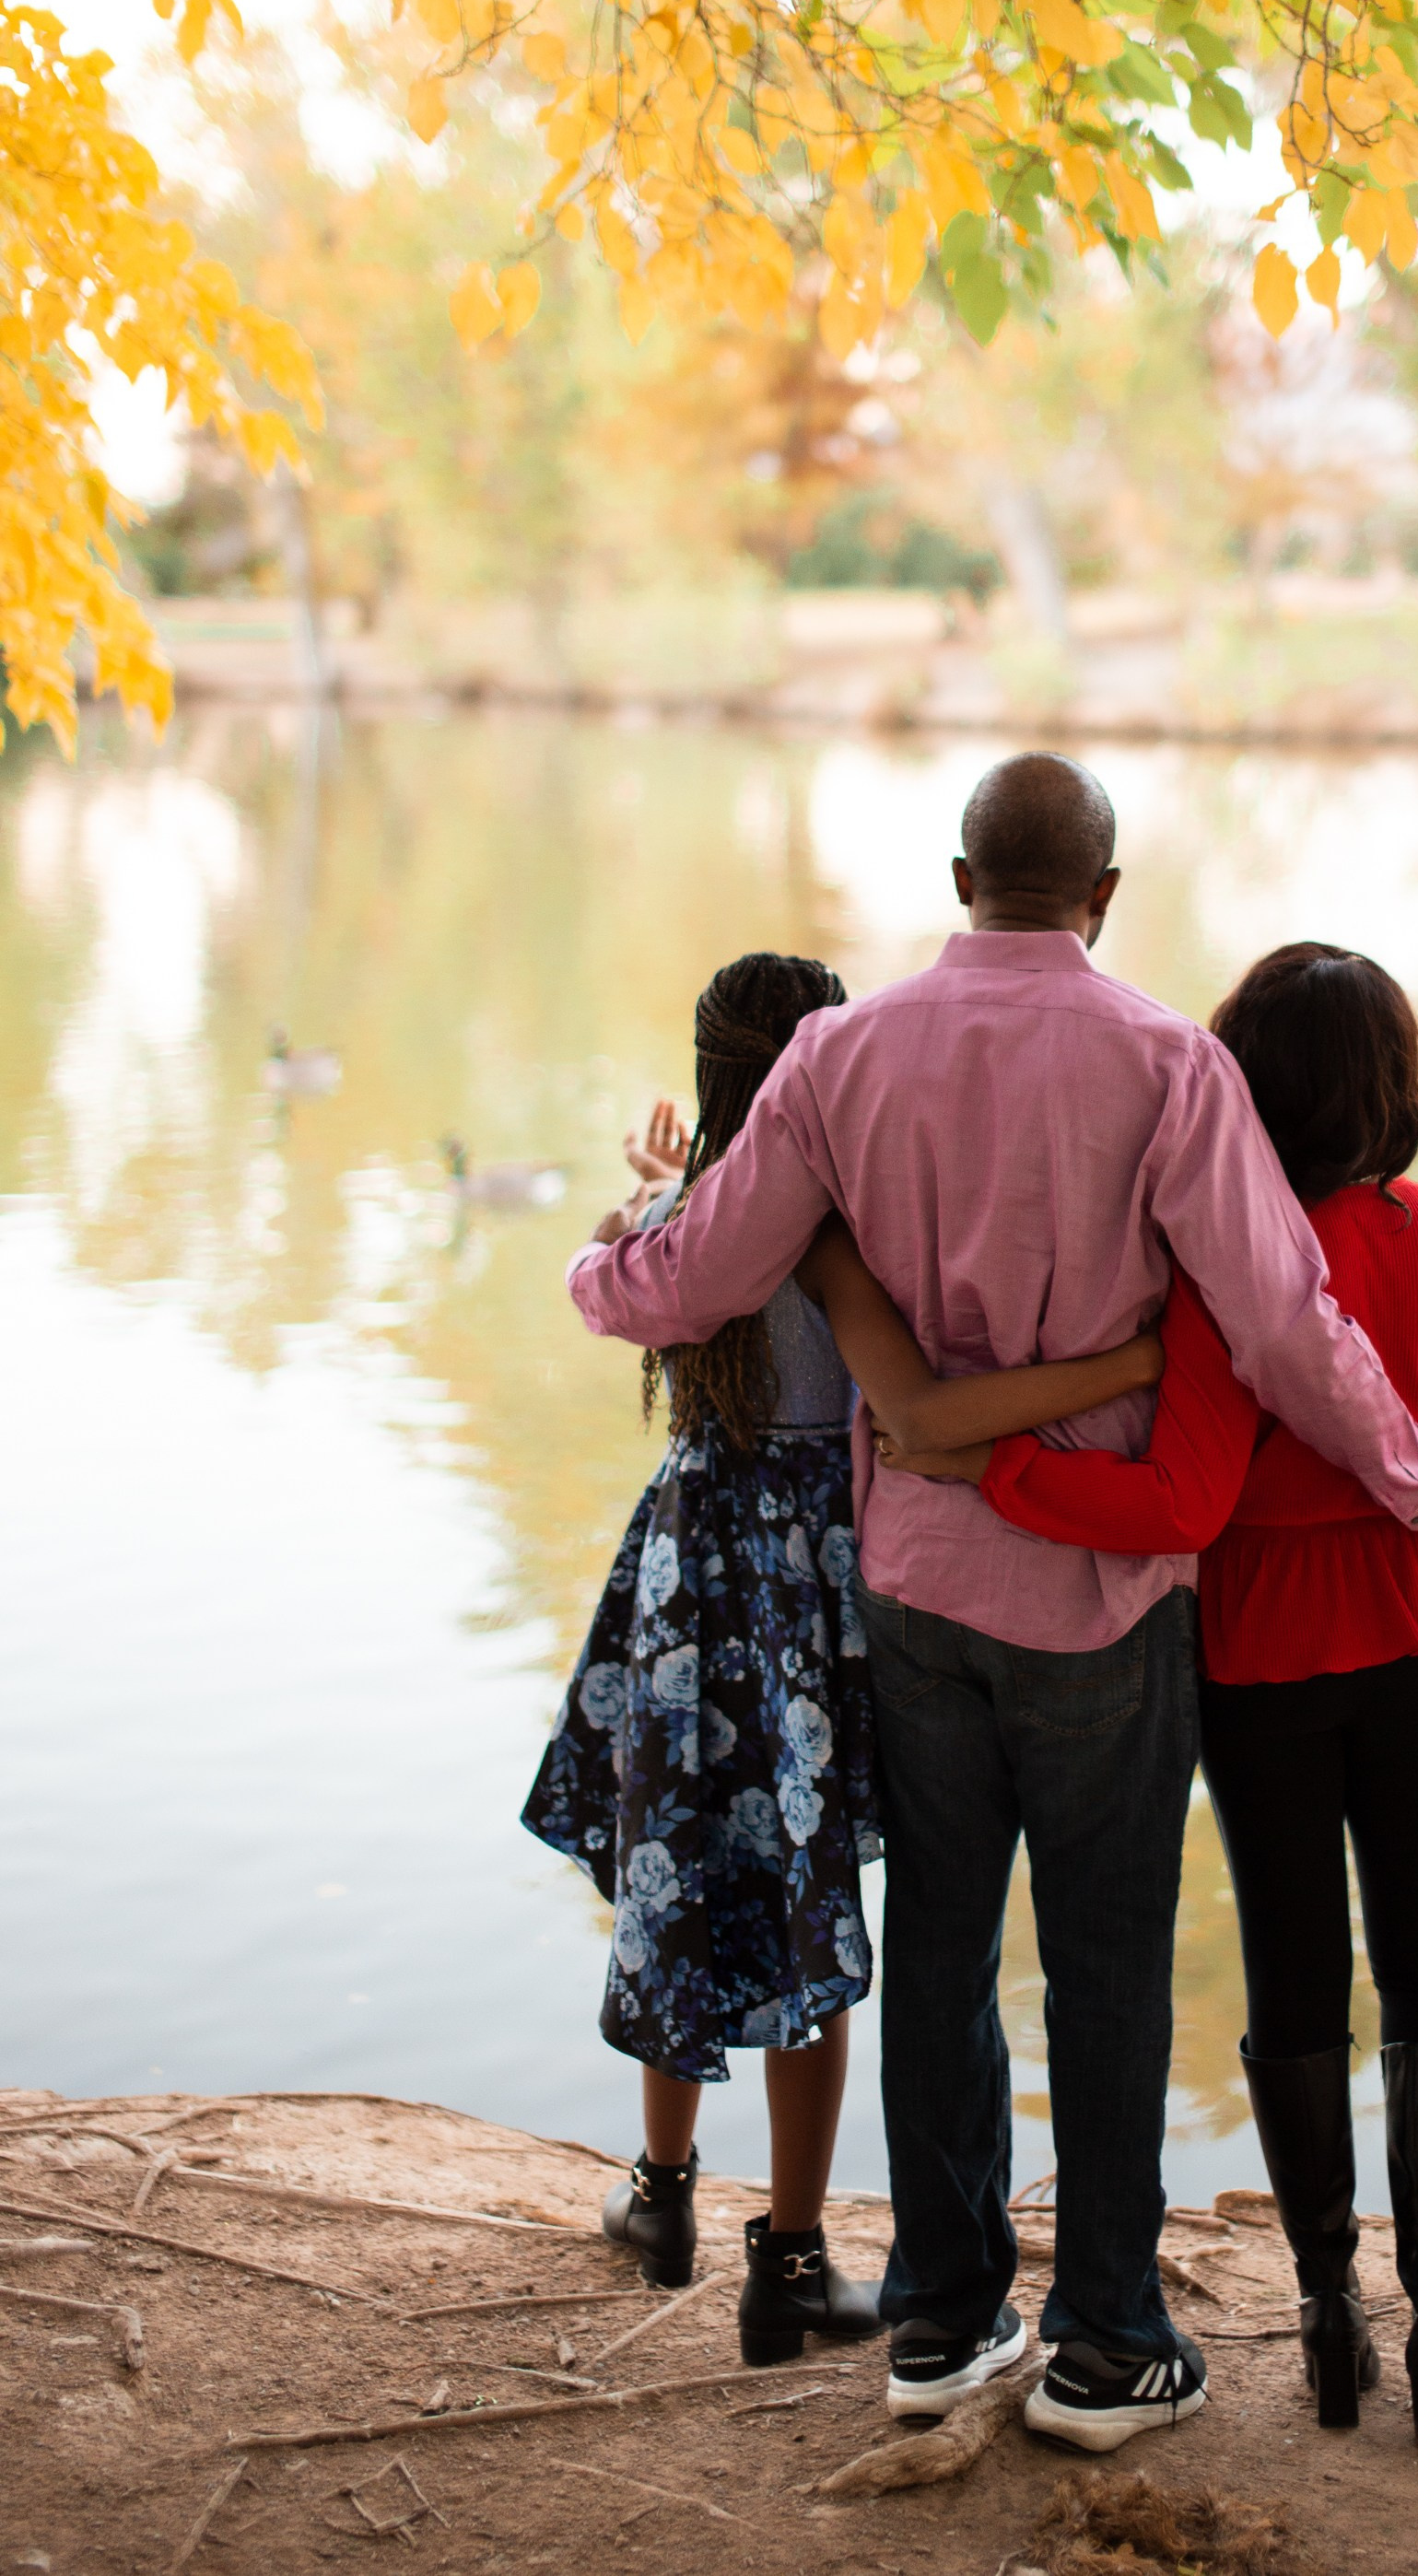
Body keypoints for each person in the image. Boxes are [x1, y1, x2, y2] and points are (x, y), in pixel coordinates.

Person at [564, 755, 1418, 2454]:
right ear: (1104, 897)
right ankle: (1107, 2346)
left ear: (962, 874)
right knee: (1112, 1968)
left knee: (941, 1952)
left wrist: (590, 1268)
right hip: (1103, 1598)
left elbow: (697, 1276)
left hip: (913, 1583)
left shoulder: (841, 1057)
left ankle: (939, 2317)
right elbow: (1286, 1328)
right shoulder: (1167, 1062)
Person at [883, 943, 1418, 2452]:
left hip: (1256, 1658)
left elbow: (1170, 1495)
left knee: (1298, 1972)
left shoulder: (1212, 1265)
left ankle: (1330, 2319)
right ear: (1398, 1088)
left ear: (1243, 1083)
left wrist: (989, 1460)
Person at [527, 951, 1165, 2368]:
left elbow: (620, 1271)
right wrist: (1127, 1369)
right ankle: (795, 2258)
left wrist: (629, 1206)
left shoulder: (687, 1222)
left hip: (689, 1579)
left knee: (679, 1877)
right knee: (803, 1909)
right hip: (815, 1591)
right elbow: (919, 1406)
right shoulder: (845, 1226)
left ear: (708, 1077)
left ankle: (662, 2197)